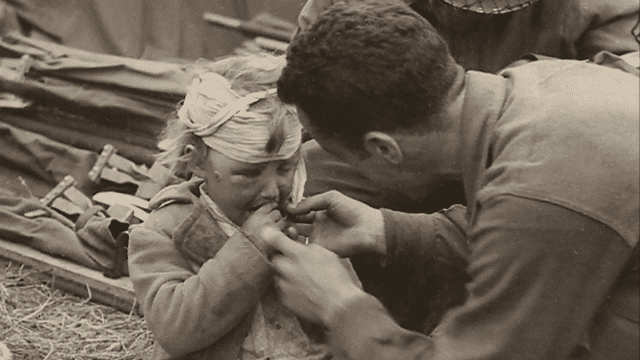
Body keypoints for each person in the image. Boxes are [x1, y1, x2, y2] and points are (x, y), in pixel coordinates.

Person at [266, 2, 640, 360]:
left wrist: (339, 306)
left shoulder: (544, 176)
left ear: (384, 149)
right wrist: (386, 231)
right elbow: (529, 235)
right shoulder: (535, 85)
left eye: (346, 159)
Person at [298, 0, 640, 214]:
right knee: (306, 181)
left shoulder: (602, 7)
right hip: (398, 158)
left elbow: (619, 107)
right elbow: (308, 95)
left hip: (541, 162)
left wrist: (523, 86)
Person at [127, 54, 330, 360]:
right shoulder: (163, 231)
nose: (273, 191)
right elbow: (175, 329)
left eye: (286, 169)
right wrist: (250, 250)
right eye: (249, 173)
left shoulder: (302, 222)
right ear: (195, 160)